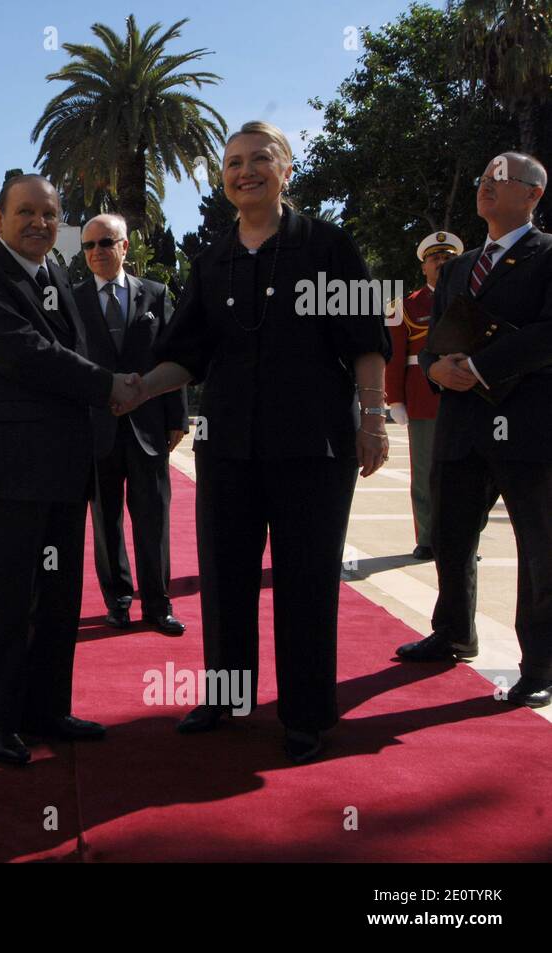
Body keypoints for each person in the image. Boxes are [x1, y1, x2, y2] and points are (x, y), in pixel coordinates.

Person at [121, 122, 391, 763]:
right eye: (233, 163)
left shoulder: (328, 246)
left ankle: (305, 715)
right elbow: (185, 355)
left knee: (306, 581)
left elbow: (365, 343)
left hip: (314, 449)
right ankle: (226, 697)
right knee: (224, 577)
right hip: (229, 450)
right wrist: (135, 388)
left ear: (285, 169)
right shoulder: (212, 259)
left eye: (259, 160)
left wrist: (373, 419)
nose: (245, 172)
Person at [0, 172, 133, 766]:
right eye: (25, 212)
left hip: (62, 468)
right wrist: (108, 385)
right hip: (4, 471)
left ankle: (47, 709)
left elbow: (70, 355)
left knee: (56, 595)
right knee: (5, 597)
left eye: (49, 215)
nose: (38, 224)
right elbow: (25, 352)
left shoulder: (58, 275)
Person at [398, 152, 552, 709]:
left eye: (499, 180)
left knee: (539, 547)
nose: (485, 186)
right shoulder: (461, 266)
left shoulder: (547, 254)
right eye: (483, 178)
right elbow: (437, 333)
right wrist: (438, 371)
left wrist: (483, 369)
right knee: (452, 533)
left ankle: (539, 663)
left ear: (533, 195)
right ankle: (453, 632)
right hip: (460, 424)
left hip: (529, 425)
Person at [73, 212, 188, 635]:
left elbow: (172, 357)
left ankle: (158, 606)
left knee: (153, 518)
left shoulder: (155, 295)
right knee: (106, 524)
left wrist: (177, 416)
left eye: (106, 242)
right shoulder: (74, 300)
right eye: (89, 246)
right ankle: (118, 602)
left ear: (124, 246)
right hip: (95, 430)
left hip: (149, 429)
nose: (97, 252)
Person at [387, 231, 462, 559]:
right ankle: (428, 538)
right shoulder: (404, 306)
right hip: (423, 397)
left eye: (448, 258)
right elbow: (395, 357)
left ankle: (461, 540)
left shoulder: (470, 300)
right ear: (424, 267)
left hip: (467, 396)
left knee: (466, 475)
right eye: (436, 259)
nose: (442, 263)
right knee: (426, 472)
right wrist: (396, 400)